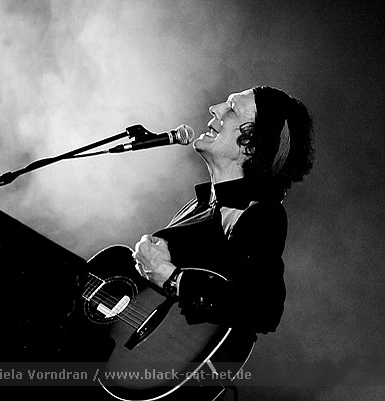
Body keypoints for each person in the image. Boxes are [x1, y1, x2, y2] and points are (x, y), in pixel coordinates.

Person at [134, 85, 314, 334]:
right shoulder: (203, 204)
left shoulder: (262, 214)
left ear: (252, 144)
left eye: (232, 109)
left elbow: (265, 309)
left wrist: (172, 279)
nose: (214, 109)